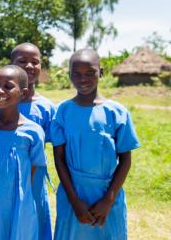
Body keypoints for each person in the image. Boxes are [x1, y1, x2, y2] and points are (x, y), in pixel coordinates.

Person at [51, 49, 140, 239]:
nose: (83, 79)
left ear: (101, 72)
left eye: (90, 72)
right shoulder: (62, 111)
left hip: (108, 195)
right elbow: (58, 158)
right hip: (72, 195)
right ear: (70, 75)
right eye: (77, 74)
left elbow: (125, 160)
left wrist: (108, 200)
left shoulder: (117, 112)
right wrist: (75, 201)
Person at [0, 43, 55, 239]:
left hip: (23, 188)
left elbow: (36, 165)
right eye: (22, 61)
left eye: (34, 62)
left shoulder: (39, 119)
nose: (29, 66)